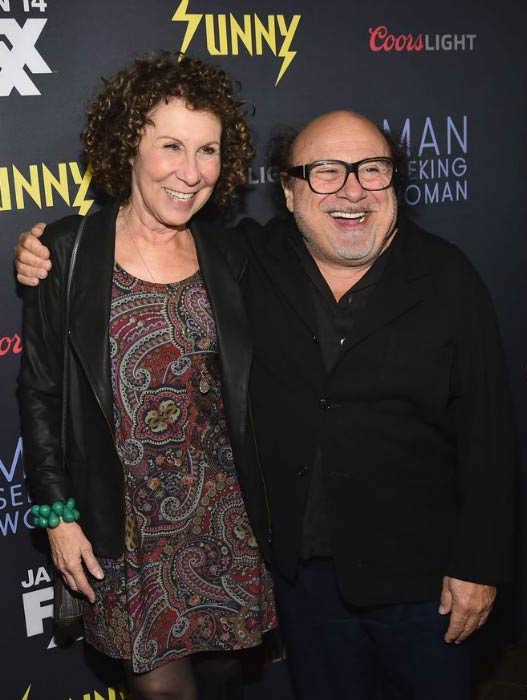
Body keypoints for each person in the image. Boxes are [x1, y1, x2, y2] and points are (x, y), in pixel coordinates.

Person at [16, 110, 515, 700]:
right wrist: (41, 245)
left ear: (394, 184)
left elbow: (490, 435)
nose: (352, 191)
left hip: (423, 581)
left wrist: (479, 566)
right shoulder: (254, 258)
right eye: (326, 172)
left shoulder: (448, 277)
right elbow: (56, 370)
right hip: (303, 581)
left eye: (373, 171)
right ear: (289, 190)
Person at [17, 51, 276, 700]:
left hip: (227, 518)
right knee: (161, 692)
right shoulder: (66, 252)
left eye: (208, 150)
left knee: (222, 679)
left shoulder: (235, 251)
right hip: (124, 527)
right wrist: (56, 514)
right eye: (170, 146)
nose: (190, 173)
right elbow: (41, 390)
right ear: (127, 146)